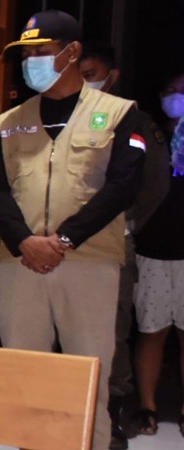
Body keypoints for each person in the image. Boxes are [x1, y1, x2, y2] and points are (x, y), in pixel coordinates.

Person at [0, 11, 152, 450]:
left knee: (87, 375)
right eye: (25, 56)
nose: (30, 63)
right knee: (25, 375)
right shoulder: (8, 122)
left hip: (88, 263)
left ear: (72, 52)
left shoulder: (118, 114)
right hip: (22, 264)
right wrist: (24, 241)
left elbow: (123, 186)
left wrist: (63, 239)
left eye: (41, 51)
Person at [78, 43, 171, 450]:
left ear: (112, 76)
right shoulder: (64, 118)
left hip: (114, 242)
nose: (84, 82)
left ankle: (111, 416)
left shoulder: (134, 120)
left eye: (91, 74)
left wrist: (128, 224)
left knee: (111, 330)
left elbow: (155, 184)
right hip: (65, 245)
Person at [130, 72, 184, 438]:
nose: (176, 97)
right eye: (170, 91)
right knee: (152, 331)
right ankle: (147, 407)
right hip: (152, 248)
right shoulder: (150, 133)